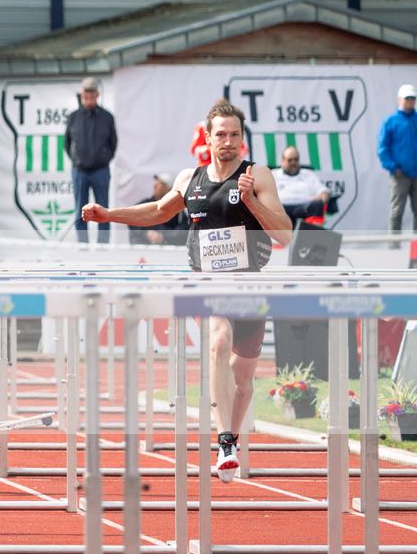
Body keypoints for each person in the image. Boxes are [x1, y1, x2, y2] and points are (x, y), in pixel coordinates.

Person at [81, 99, 291, 477]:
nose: (228, 141)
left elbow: (285, 235)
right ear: (207, 139)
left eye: (235, 135)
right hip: (207, 283)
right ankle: (225, 441)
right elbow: (157, 211)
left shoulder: (257, 176)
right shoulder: (188, 180)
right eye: (221, 135)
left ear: (242, 139)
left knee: (243, 382)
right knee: (216, 343)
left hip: (249, 286)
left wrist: (249, 202)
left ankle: (232, 439)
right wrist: (109, 214)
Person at [66, 77, 117, 244]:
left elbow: (113, 143)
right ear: (81, 96)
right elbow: (67, 143)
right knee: (80, 210)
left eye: (92, 96)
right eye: (85, 96)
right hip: (79, 170)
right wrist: (77, 159)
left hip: (100, 171)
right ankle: (82, 246)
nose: (89, 100)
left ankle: (103, 247)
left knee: (103, 210)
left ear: (97, 95)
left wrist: (103, 158)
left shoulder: (107, 117)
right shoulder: (73, 117)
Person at [379, 85, 417, 234]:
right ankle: (394, 248)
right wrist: (393, 168)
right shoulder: (390, 122)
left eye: (413, 98)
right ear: (399, 99)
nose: (410, 101)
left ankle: (416, 251)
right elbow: (382, 149)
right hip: (400, 175)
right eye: (407, 98)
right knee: (396, 212)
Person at [126, 175, 188, 246]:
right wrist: (146, 233)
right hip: (142, 251)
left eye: (160, 183)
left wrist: (163, 236)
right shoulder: (145, 204)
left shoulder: (176, 209)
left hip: (166, 252)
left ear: (169, 189)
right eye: (155, 182)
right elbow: (130, 220)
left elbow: (183, 232)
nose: (155, 185)